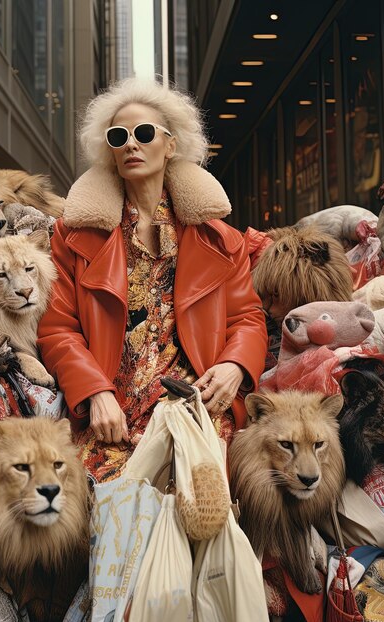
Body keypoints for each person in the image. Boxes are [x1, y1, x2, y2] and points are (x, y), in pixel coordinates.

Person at [37, 78, 267, 482]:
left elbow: (247, 316)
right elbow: (58, 329)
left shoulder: (219, 238)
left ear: (171, 145)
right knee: (106, 509)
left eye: (144, 133)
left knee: (201, 500)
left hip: (194, 401)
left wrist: (234, 366)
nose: (130, 144)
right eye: (118, 136)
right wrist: (94, 391)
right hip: (111, 409)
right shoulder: (73, 237)